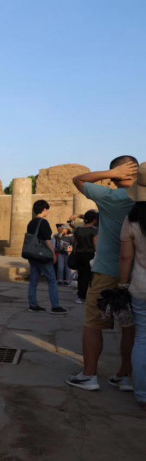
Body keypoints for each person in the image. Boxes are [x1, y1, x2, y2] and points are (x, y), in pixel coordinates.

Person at [66, 155, 139, 391]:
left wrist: (111, 175)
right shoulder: (140, 199)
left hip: (107, 271)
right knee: (130, 326)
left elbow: (78, 180)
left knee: (94, 324)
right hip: (136, 274)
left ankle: (89, 375)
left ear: (117, 175)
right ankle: (125, 375)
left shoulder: (112, 197)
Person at [119, 162, 146, 410]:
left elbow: (126, 257)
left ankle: (142, 393)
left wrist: (122, 283)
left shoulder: (132, 219)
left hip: (140, 284)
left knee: (142, 340)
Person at [26, 200, 66, 314]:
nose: (47, 212)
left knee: (33, 281)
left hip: (32, 254)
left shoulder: (31, 222)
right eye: (47, 210)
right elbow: (47, 241)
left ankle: (32, 305)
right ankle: (55, 306)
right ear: (44, 210)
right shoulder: (43, 222)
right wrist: (53, 254)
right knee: (52, 280)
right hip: (42, 255)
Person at [72, 210, 99, 304]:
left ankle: (80, 295)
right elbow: (96, 245)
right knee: (89, 276)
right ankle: (86, 295)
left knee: (81, 275)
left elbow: (75, 244)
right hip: (89, 254)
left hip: (79, 254)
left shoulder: (78, 230)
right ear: (94, 220)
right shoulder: (94, 231)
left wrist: (75, 254)